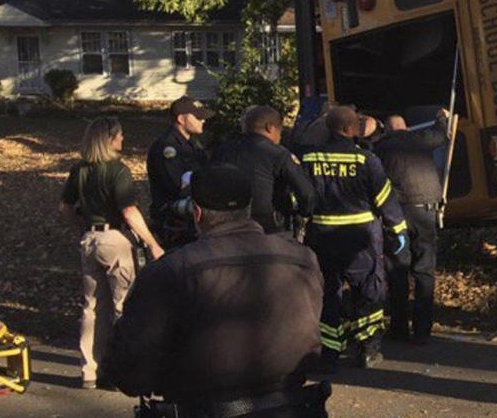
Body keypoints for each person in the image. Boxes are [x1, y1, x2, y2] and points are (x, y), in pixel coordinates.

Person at [102, 163, 327, 418]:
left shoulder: (172, 271)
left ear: (196, 213)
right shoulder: (302, 259)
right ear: (249, 206)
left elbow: (129, 368)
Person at [58, 117, 163, 389]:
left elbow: (65, 209)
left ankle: (89, 370)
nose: (123, 140)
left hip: (90, 239)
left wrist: (82, 227)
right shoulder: (118, 171)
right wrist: (151, 242)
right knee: (121, 305)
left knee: (92, 306)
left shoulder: (79, 170)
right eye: (119, 136)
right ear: (110, 139)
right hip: (115, 239)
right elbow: (129, 211)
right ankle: (119, 369)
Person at [299, 105, 407, 369]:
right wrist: (398, 229)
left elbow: (299, 198)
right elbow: (384, 199)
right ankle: (367, 348)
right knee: (368, 289)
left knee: (328, 292)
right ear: (350, 129)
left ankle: (330, 351)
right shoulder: (365, 160)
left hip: (322, 236)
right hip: (361, 238)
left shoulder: (310, 159)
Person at [374, 112, 451, 344]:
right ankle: (422, 331)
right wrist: (442, 118)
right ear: (406, 128)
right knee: (424, 271)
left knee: (397, 271)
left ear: (387, 130)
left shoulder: (381, 147)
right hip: (425, 210)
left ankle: (399, 328)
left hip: (397, 214)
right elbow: (441, 135)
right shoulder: (421, 140)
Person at [211, 105, 317, 237]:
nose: (280, 136)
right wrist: (303, 214)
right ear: (270, 128)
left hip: (227, 226)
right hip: (268, 228)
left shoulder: (223, 150)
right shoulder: (278, 154)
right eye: (280, 131)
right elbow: (306, 193)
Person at [147, 96, 214, 249]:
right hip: (175, 222)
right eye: (198, 117)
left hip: (192, 218)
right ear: (181, 119)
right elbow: (177, 186)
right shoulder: (168, 148)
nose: (202, 121)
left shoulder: (193, 143)